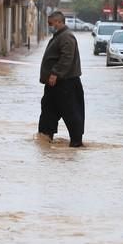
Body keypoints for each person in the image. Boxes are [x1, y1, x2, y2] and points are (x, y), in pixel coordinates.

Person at [38, 11, 85, 147]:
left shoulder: (66, 37)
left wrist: (55, 73)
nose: (50, 26)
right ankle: (44, 139)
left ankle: (76, 142)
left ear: (58, 22)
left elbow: (66, 58)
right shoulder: (59, 36)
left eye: (51, 23)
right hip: (54, 84)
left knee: (71, 112)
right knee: (48, 110)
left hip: (66, 83)